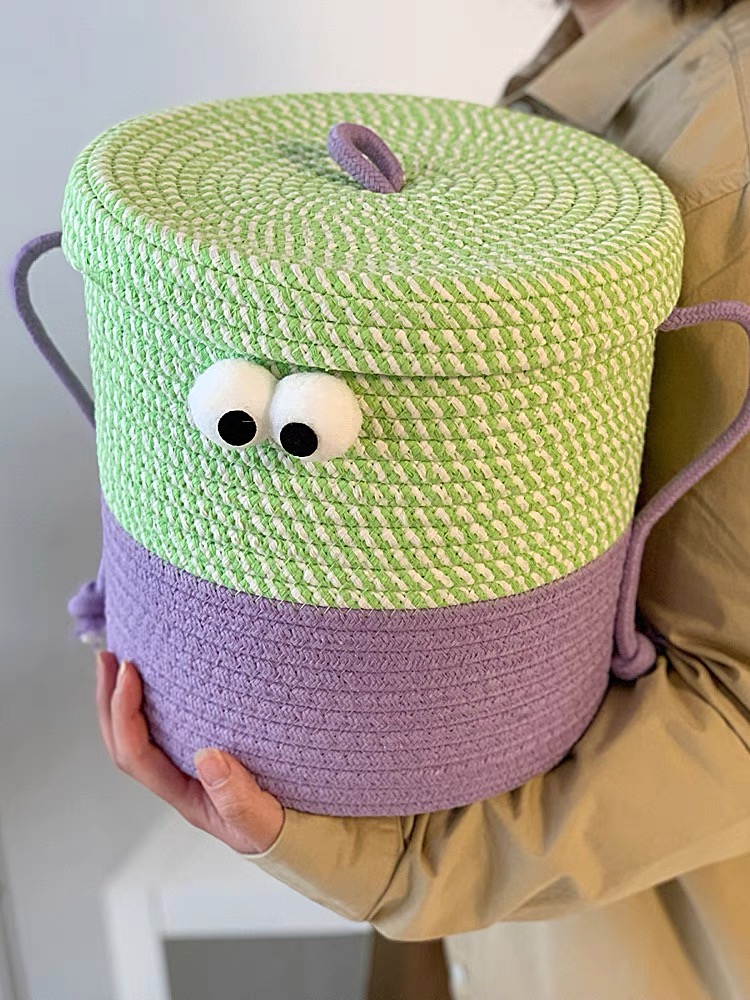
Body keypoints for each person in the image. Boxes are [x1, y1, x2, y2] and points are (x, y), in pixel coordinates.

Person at [94, 0, 750, 996]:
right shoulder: (610, 42)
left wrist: (388, 858)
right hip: (483, 918)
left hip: (622, 947)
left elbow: (736, 700)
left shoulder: (728, 152)